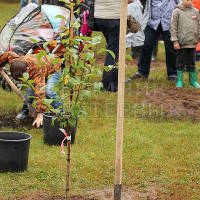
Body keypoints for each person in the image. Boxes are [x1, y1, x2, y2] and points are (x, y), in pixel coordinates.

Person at [0, 51, 62, 128]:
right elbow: (8, 54)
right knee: (29, 94)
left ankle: (61, 115)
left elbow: (40, 92)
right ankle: (25, 112)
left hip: (54, 69)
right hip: (41, 68)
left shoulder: (37, 71)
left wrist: (40, 114)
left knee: (49, 91)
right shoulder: (15, 61)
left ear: (27, 69)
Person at [134, 0, 180, 80]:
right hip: (152, 22)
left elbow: (181, 3)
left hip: (169, 22)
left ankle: (173, 73)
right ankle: (142, 72)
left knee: (171, 48)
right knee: (146, 44)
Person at [94, 0, 133, 92]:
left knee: (113, 48)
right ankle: (108, 84)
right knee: (113, 51)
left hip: (99, 17)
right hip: (114, 17)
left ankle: (116, 80)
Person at [170, 0, 200, 88]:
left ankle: (193, 81)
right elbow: (173, 26)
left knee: (192, 62)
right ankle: (179, 80)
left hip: (192, 42)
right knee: (180, 61)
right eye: (187, 0)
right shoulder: (177, 11)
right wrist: (175, 40)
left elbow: (199, 25)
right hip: (181, 43)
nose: (189, 2)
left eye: (191, 0)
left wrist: (198, 37)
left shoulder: (196, 11)